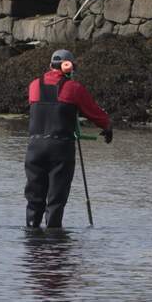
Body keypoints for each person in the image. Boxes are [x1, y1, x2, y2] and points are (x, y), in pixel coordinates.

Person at [25, 49, 112, 228]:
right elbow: (94, 112)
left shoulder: (34, 85)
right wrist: (107, 127)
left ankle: (32, 237)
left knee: (34, 200)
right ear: (69, 68)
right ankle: (54, 240)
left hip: (34, 148)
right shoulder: (74, 88)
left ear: (50, 65)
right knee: (56, 201)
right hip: (60, 148)